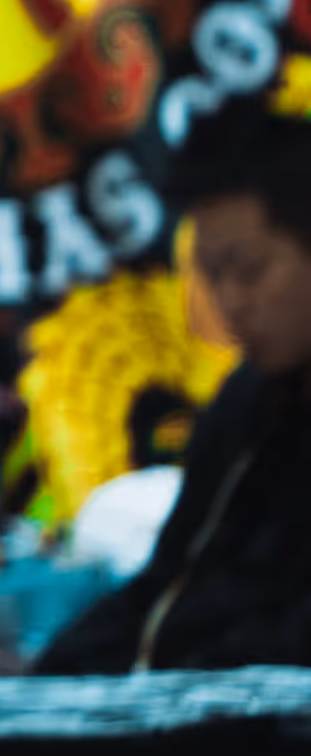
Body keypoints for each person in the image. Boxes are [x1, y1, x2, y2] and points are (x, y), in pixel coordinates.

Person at [45, 74, 311, 673]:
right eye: (214, 276)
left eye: (249, 271)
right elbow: (167, 584)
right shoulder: (249, 404)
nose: (231, 302)